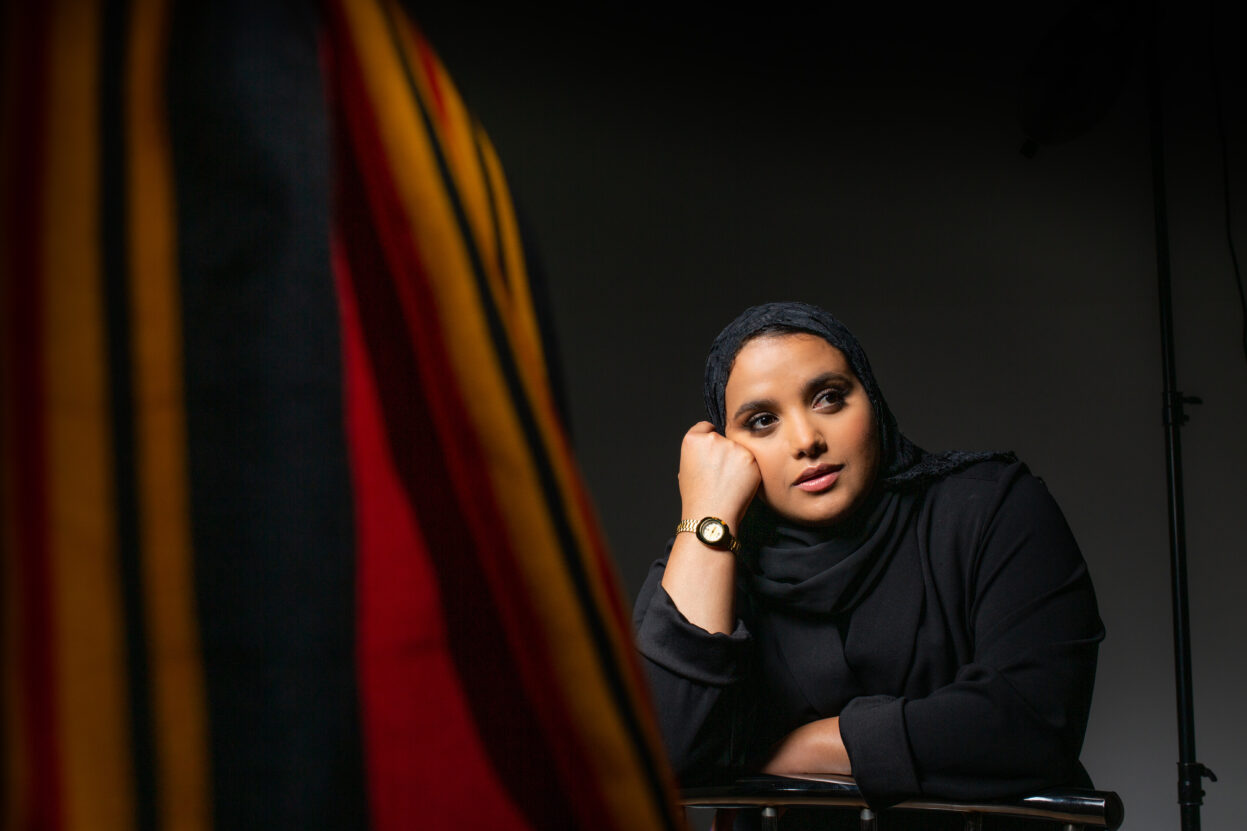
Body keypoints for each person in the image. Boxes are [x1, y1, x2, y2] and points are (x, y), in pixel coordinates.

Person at [633, 301, 1103, 829]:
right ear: (727, 446)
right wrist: (707, 516)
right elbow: (655, 758)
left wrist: (803, 752)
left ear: (872, 401)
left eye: (829, 398)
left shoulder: (991, 507)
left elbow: (1031, 722)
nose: (806, 439)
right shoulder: (710, 561)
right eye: (762, 421)